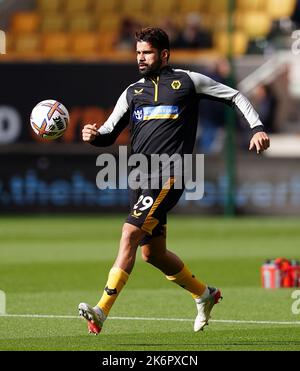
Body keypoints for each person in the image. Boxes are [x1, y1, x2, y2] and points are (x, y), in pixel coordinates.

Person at [79, 27, 270, 335]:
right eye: (138, 52)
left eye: (147, 52)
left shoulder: (188, 82)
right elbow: (108, 134)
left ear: (164, 54)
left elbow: (234, 96)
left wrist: (257, 127)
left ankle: (101, 310)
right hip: (140, 176)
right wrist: (93, 136)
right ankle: (204, 294)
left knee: (129, 233)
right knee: (152, 253)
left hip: (171, 172)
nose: (141, 58)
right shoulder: (131, 92)